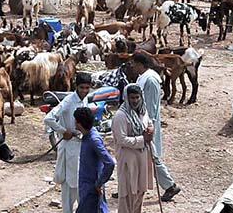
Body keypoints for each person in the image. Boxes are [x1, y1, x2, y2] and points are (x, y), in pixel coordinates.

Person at [130, 52, 180, 202]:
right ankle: (130, 187)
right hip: (138, 121)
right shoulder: (143, 77)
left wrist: (147, 126)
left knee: (151, 157)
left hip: (146, 124)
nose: (132, 66)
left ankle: (170, 185)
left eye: (134, 63)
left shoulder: (150, 80)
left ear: (140, 64)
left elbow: (150, 107)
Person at [44, 73, 93, 213]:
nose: (84, 91)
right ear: (76, 87)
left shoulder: (84, 100)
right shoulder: (69, 101)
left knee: (78, 182)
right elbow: (49, 118)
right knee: (70, 184)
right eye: (82, 88)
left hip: (80, 145)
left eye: (87, 88)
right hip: (70, 146)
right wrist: (63, 130)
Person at [113, 84, 154, 213]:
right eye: (132, 98)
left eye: (137, 97)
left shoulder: (143, 111)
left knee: (140, 191)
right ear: (126, 98)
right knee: (128, 193)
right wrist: (142, 139)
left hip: (142, 157)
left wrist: (151, 129)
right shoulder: (121, 116)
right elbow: (122, 140)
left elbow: (149, 123)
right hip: (128, 159)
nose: (135, 101)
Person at [74, 106, 115, 213]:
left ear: (79, 123)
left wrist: (99, 183)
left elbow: (109, 163)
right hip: (87, 186)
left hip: (91, 188)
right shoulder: (88, 135)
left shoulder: (93, 139)